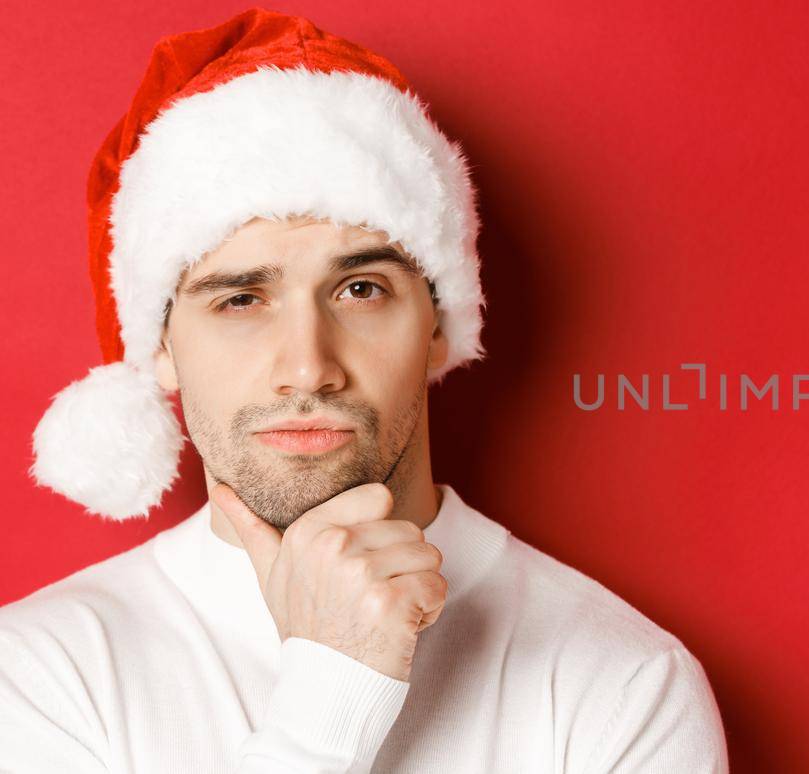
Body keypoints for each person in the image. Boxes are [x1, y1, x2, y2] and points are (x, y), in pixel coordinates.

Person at [0, 8, 729, 773]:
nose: (309, 367)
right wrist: (332, 697)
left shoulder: (624, 684)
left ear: (440, 324)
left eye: (360, 289)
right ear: (160, 351)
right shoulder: (42, 676)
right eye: (240, 300)